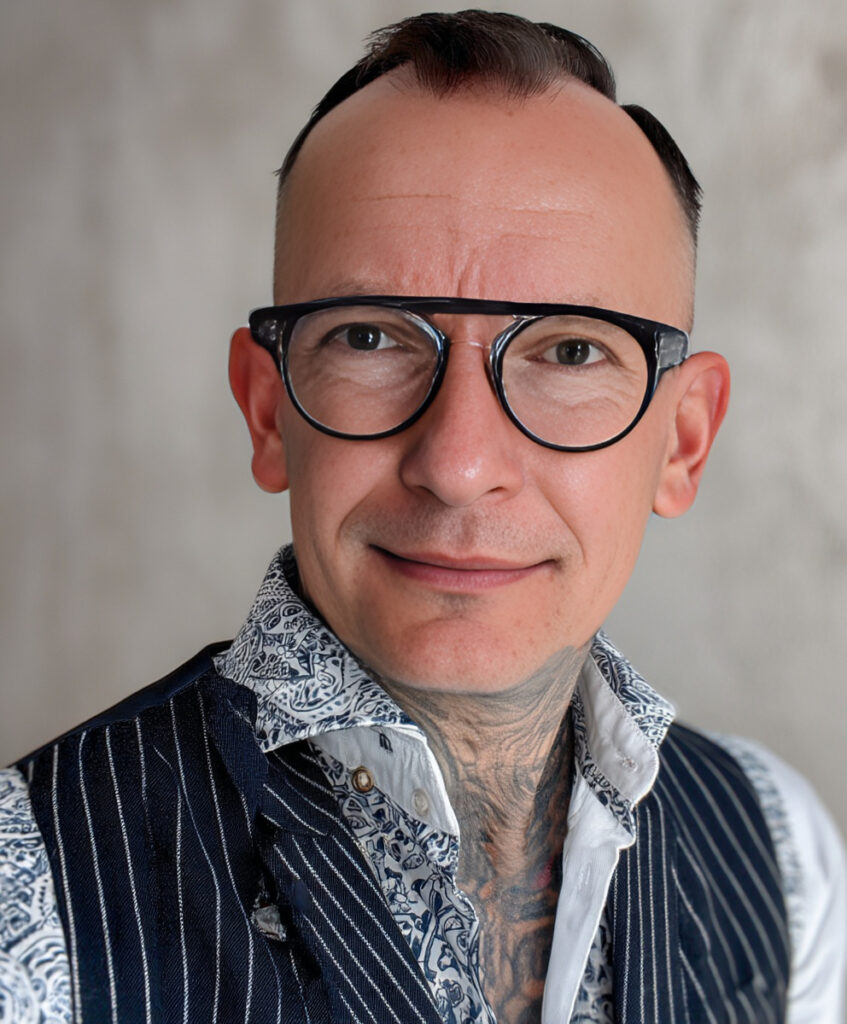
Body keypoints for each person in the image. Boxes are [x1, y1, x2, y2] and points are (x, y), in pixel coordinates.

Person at [1, 10, 844, 1023]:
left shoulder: (781, 856)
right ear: (267, 411)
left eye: (570, 350)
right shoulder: (27, 892)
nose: (458, 465)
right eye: (369, 337)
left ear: (683, 441)